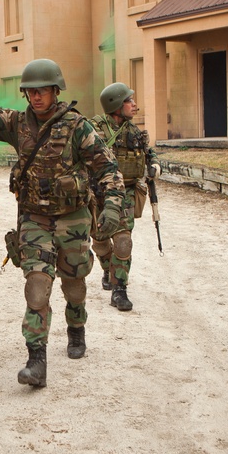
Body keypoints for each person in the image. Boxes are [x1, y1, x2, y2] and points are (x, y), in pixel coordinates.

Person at [0, 59, 124, 388]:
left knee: (74, 283)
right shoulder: (17, 124)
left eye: (43, 91)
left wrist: (112, 206)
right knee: (37, 284)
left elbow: (107, 168)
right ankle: (36, 359)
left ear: (56, 90)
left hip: (73, 217)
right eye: (31, 92)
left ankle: (76, 328)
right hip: (34, 217)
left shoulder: (77, 126)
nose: (36, 97)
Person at [89, 83, 160, 311]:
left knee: (123, 241)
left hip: (125, 193)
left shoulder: (134, 131)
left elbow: (147, 151)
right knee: (100, 241)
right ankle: (107, 270)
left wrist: (155, 164)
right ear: (116, 105)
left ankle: (120, 290)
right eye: (130, 100)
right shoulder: (94, 129)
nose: (135, 105)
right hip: (98, 194)